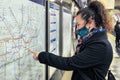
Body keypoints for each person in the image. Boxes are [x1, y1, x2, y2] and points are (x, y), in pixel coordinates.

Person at [29, 1, 113, 80]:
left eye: (78, 25)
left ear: (90, 22)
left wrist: (42, 56)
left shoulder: (100, 46)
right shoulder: (93, 39)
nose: (76, 29)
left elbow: (69, 63)